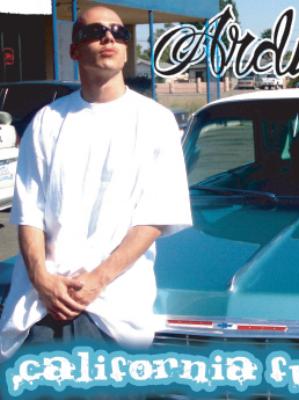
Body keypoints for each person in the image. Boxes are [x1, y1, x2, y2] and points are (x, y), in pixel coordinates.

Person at [0, 6, 192, 361]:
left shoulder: (156, 122)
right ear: (74, 50)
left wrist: (97, 281)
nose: (108, 38)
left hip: (113, 315)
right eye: (94, 32)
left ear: (125, 49)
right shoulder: (47, 121)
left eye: (119, 33)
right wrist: (42, 279)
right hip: (39, 311)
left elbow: (155, 218)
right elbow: (29, 215)